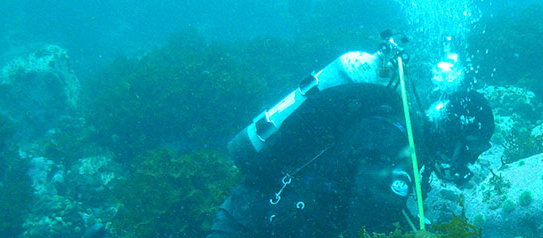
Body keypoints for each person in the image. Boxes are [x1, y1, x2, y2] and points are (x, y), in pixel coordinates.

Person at [207, 31, 494, 237]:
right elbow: (370, 227)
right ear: (454, 134)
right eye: (472, 149)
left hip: (256, 207)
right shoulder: (395, 143)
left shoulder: (395, 128)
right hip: (255, 221)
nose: (468, 160)